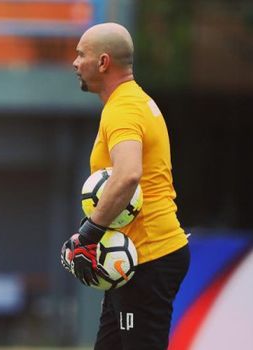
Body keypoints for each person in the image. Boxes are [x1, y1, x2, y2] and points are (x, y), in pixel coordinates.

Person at [60, 22, 190, 350]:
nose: (75, 63)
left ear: (103, 62)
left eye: (81, 55)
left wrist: (88, 235)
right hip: (135, 259)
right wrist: (89, 233)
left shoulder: (123, 108)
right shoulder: (130, 102)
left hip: (150, 255)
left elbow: (128, 174)